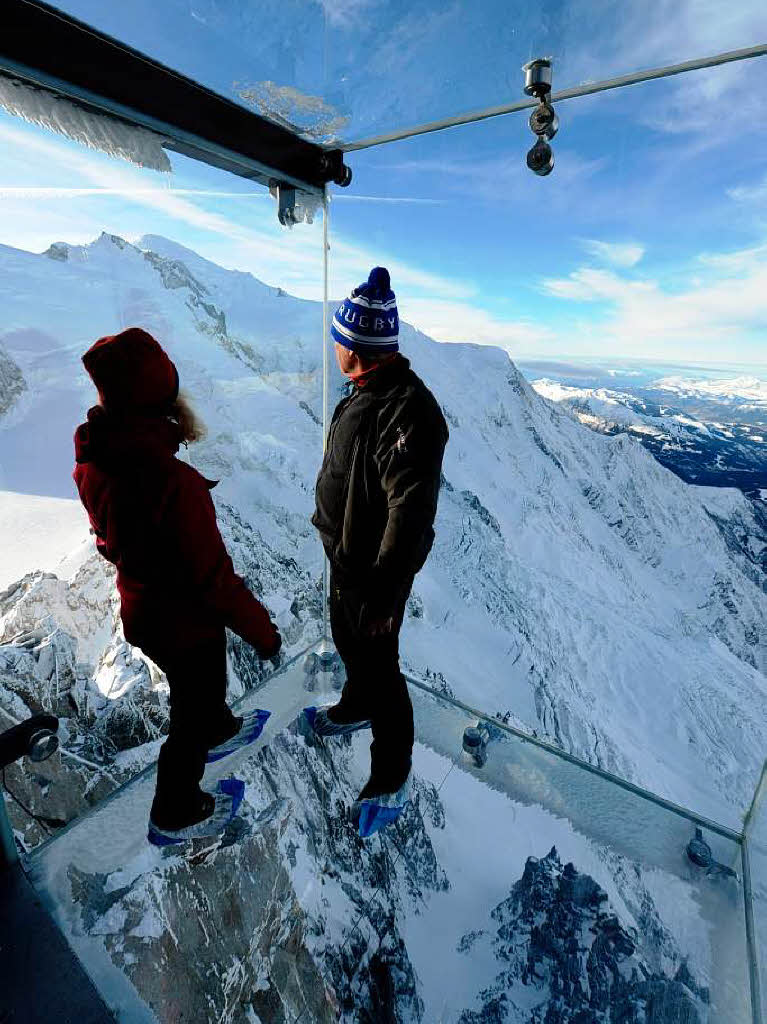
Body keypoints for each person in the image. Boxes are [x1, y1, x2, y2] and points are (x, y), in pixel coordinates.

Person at [73, 327, 281, 845]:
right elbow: (215, 581)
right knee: (191, 708)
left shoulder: (94, 465)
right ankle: (176, 810)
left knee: (199, 693)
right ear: (159, 405)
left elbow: (107, 540)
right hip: (186, 623)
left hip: (142, 612)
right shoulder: (174, 484)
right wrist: (264, 634)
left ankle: (218, 728)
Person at [308, 267, 449, 829]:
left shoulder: (408, 411)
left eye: (339, 337)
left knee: (382, 665)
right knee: (348, 640)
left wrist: (386, 596)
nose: (334, 345)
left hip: (374, 572)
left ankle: (391, 775)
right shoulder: (368, 393)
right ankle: (357, 701)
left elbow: (409, 512)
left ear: (356, 345)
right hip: (347, 560)